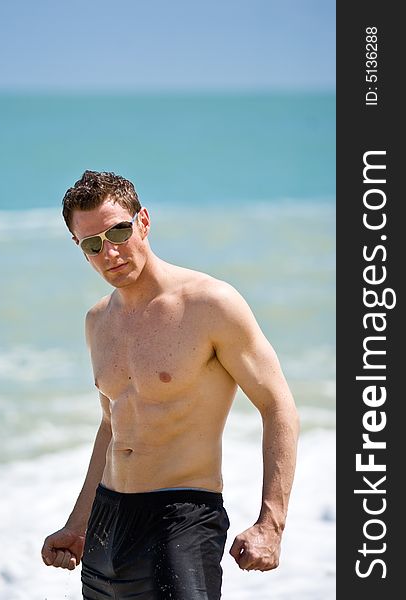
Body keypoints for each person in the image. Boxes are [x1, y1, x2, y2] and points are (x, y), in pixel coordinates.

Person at [41, 171, 299, 600]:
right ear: (80, 249)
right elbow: (112, 426)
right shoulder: (97, 321)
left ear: (143, 221)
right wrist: (78, 523)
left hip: (182, 515)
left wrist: (271, 523)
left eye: (118, 231)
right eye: (92, 244)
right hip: (108, 519)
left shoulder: (210, 304)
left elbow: (278, 406)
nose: (110, 252)